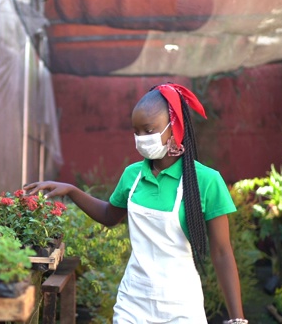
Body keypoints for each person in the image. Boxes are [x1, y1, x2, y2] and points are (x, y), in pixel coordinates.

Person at [23, 83, 247, 324]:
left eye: (149, 130)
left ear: (175, 128)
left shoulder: (206, 181)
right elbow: (110, 215)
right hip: (133, 302)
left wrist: (237, 319)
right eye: (136, 131)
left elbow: (222, 253)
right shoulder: (133, 175)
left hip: (182, 307)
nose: (141, 139)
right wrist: (72, 191)